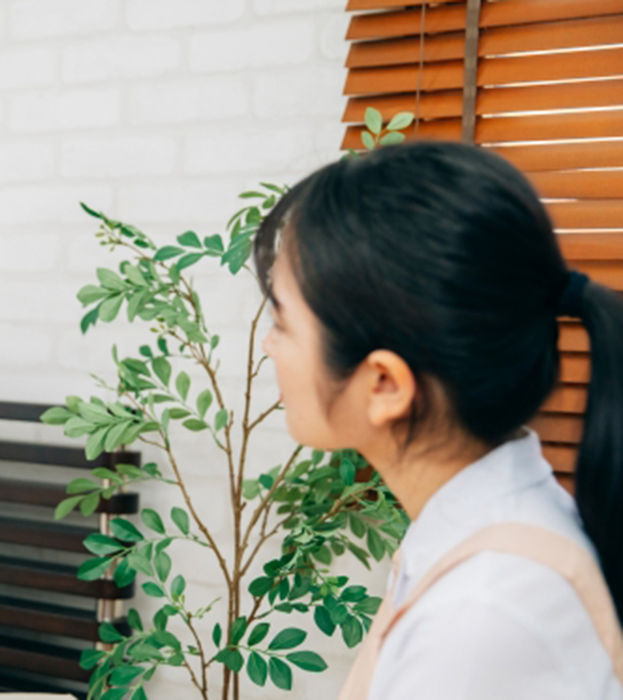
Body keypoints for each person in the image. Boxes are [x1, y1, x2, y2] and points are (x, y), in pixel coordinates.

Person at [254, 141, 623, 699]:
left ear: (385, 385)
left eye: (282, 322)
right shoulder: (468, 544)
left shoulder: (483, 611)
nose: (266, 347)